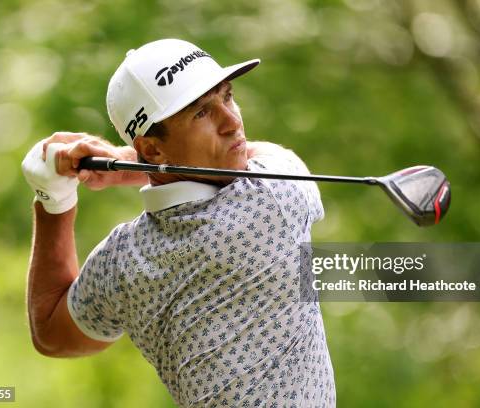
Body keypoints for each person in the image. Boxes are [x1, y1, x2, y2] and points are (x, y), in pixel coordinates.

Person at [22, 39, 336, 407]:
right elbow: (274, 154)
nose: (232, 122)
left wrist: (53, 199)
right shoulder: (271, 201)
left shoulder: (122, 261)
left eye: (227, 96)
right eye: (202, 112)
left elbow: (52, 334)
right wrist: (124, 167)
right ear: (152, 149)